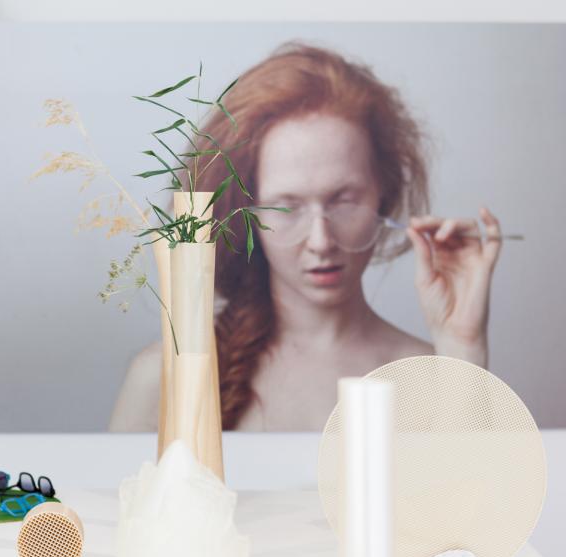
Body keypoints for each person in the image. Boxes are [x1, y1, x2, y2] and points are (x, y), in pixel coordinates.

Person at [109, 43, 502, 432]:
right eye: (286, 207)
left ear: (382, 194)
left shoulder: (438, 381)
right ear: (245, 211)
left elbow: (473, 478)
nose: (321, 241)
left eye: (344, 200)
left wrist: (462, 346)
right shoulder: (167, 377)